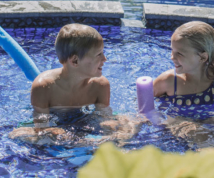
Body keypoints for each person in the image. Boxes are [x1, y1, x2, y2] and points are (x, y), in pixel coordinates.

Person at [9, 24, 137, 145]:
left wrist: (110, 126)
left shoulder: (100, 85)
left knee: (127, 125)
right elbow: (41, 125)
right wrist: (50, 131)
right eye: (99, 54)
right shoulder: (44, 87)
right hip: (57, 124)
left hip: (84, 120)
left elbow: (103, 117)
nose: (105, 59)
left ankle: (85, 145)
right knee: (19, 135)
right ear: (75, 60)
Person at [153, 21, 214, 125]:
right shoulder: (168, 81)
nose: (172, 57)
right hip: (174, 128)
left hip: (205, 127)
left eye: (179, 53)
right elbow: (144, 104)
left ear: (203, 57)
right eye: (172, 51)